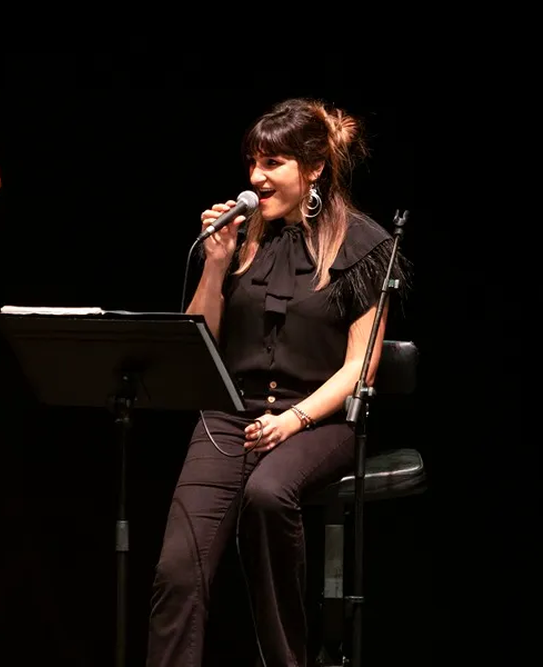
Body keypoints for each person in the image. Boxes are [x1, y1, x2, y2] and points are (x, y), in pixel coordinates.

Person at [145, 97, 409, 667]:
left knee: (267, 496)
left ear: (313, 168)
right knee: (177, 568)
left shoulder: (364, 245)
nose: (256, 178)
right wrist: (216, 262)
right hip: (230, 416)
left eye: (272, 163)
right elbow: (198, 340)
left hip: (316, 419)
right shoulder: (244, 237)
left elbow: (361, 367)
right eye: (252, 162)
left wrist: (292, 419)